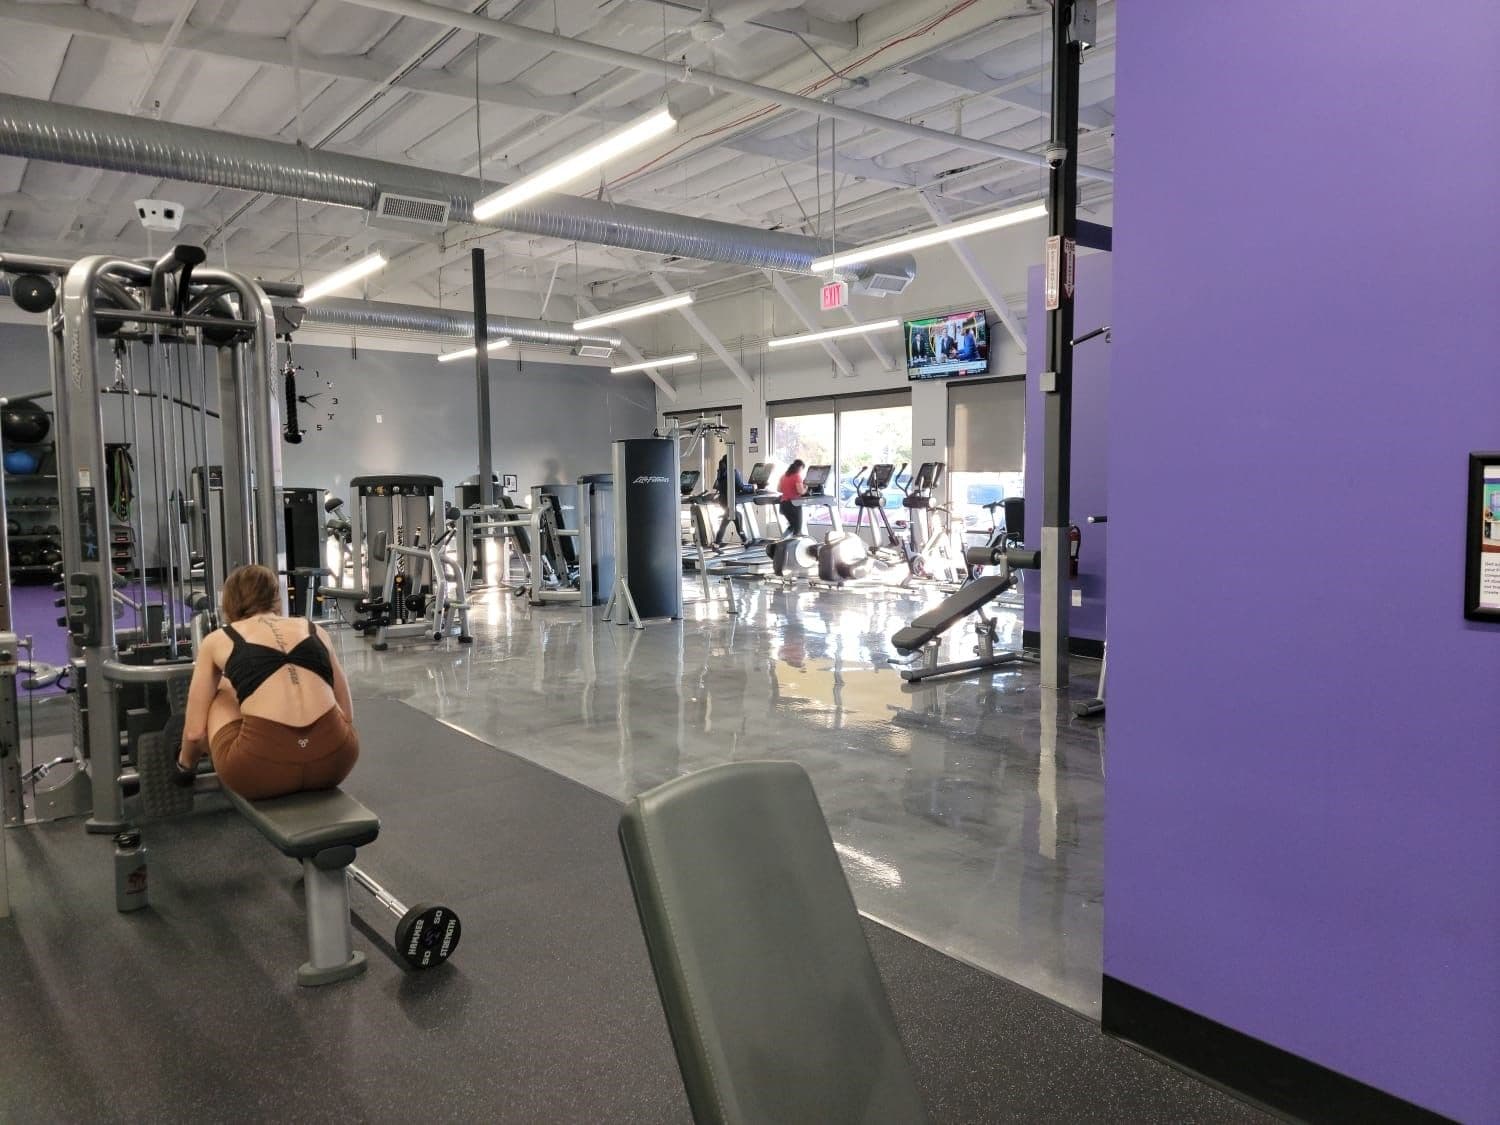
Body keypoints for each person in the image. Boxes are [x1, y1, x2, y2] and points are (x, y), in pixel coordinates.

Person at [178, 564, 358, 800]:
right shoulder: (314, 629)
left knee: (221, 688)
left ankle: (184, 767)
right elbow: (347, 714)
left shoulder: (217, 640)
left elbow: (194, 733)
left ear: (229, 602)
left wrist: (184, 768)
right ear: (276, 597)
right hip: (336, 760)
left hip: (259, 770)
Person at [713, 453, 755, 546]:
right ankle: (716, 543)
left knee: (736, 517)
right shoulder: (733, 472)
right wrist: (752, 488)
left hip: (723, 501)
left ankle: (745, 541)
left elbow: (720, 486)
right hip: (730, 501)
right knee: (728, 520)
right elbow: (741, 487)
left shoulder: (720, 472)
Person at [778, 459, 807, 536]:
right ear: (800, 467)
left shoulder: (784, 476)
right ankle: (794, 542)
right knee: (797, 529)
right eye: (802, 469)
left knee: (792, 526)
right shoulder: (797, 476)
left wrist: (788, 489)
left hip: (783, 504)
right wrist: (806, 488)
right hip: (793, 504)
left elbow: (779, 489)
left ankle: (781, 540)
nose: (801, 471)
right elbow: (801, 491)